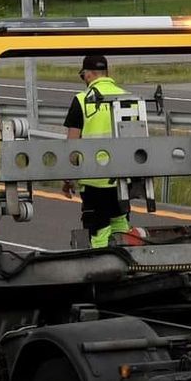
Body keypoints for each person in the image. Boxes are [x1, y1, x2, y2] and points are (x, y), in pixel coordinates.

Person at [62, 53, 132, 248]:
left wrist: (68, 178)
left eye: (82, 75)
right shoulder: (126, 97)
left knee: (98, 230)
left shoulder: (81, 100)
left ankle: (102, 268)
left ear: (89, 74)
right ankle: (126, 265)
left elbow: (72, 146)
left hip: (93, 179)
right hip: (122, 179)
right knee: (120, 223)